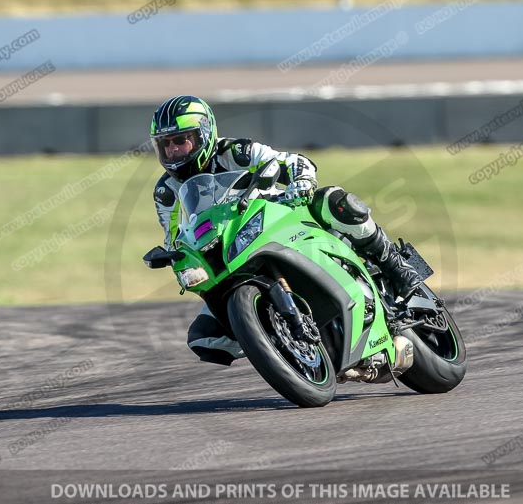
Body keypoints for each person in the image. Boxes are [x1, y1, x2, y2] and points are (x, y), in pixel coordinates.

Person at [150, 95, 420, 367]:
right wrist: (175, 256)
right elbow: (175, 239)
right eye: (165, 144)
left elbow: (293, 162)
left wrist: (301, 181)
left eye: (180, 140)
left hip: (275, 221)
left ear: (204, 134)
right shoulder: (166, 192)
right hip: (227, 253)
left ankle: (395, 264)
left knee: (334, 200)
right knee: (203, 338)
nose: (173, 151)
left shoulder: (236, 152)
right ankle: (274, 338)